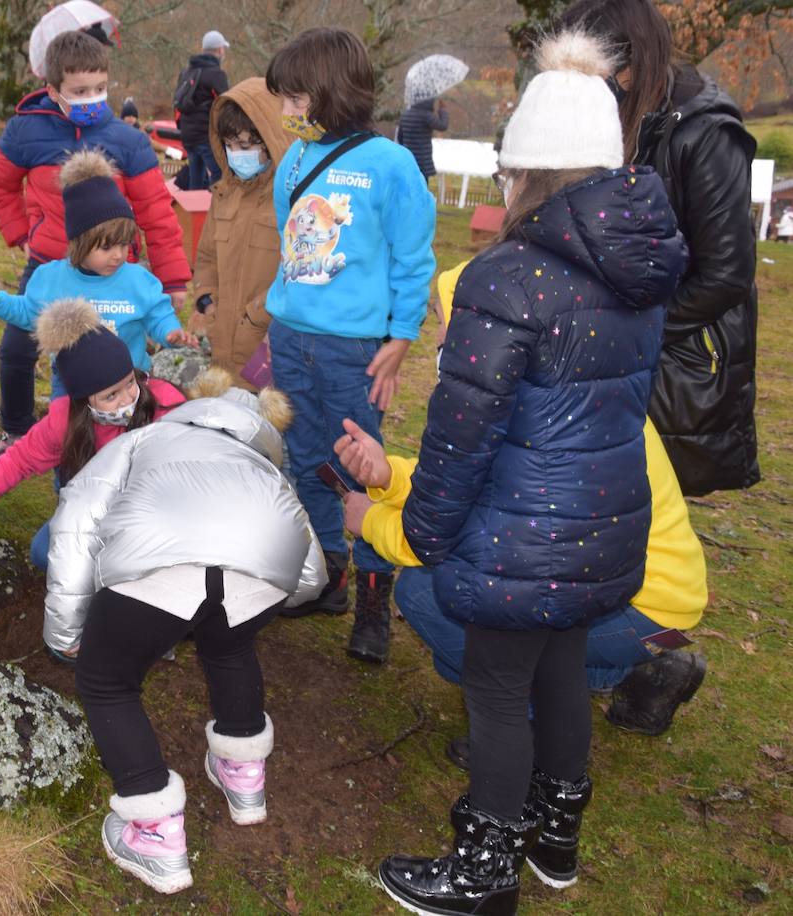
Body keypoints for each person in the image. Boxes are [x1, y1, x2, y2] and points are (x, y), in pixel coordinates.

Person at [336, 31, 687, 913]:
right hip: (602, 523)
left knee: (497, 689)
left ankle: (483, 868)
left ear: (523, 169)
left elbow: (463, 433)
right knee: (559, 673)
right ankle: (555, 837)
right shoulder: (640, 271)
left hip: (519, 529)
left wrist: (418, 532)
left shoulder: (507, 278)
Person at [357, 260, 708, 757]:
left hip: (632, 604)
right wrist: (389, 477)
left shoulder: (519, 417)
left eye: (447, 320)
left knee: (427, 593)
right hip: (652, 601)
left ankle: (521, 729)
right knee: (527, 618)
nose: (439, 339)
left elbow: (449, 540)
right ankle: (637, 669)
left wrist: (369, 521)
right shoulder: (576, 389)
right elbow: (460, 485)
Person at [44, 367, 327, 894]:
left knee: (106, 680)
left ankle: (154, 830)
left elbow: (76, 515)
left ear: (200, 406)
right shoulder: (266, 470)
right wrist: (262, 596)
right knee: (231, 644)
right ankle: (244, 781)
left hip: (157, 563)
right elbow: (311, 575)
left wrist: (65, 629)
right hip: (259, 577)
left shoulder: (147, 437)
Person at [262, 27, 436, 663]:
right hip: (291, 340)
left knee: (356, 464)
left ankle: (372, 600)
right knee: (303, 457)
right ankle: (326, 576)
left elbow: (414, 261)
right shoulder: (296, 160)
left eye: (294, 98)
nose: (285, 113)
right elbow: (292, 246)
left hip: (354, 350)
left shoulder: (391, 166)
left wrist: (401, 336)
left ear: (332, 93)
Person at [560, 0, 759, 497]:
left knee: (647, 512)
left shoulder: (706, 130)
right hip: (611, 348)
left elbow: (728, 273)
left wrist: (629, 332)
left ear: (628, 62)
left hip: (680, 361)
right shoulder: (616, 112)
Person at [0, 31, 192, 467]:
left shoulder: (127, 141)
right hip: (50, 267)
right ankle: (18, 433)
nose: (92, 98)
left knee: (116, 362)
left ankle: (125, 443)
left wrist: (172, 278)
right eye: (80, 92)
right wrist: (21, 234)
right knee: (17, 351)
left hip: (115, 272)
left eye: (100, 88)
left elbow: (155, 211)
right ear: (53, 90)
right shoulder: (27, 131)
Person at [0, 298, 185, 590]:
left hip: (161, 512)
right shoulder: (65, 421)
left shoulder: (165, 403)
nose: (128, 398)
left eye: (130, 383)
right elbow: (21, 458)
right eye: (111, 396)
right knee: (44, 552)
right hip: (99, 511)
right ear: (83, 400)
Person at [0, 149, 199, 398]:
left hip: (129, 386)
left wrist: (171, 333)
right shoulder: (52, 278)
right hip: (70, 388)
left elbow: (159, 317)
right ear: (80, 242)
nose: (118, 255)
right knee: (69, 435)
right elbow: (27, 312)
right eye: (106, 247)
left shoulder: (139, 281)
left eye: (123, 244)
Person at [189, 78, 293, 388]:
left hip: (268, 345)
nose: (236, 154)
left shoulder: (291, 200)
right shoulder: (223, 193)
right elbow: (206, 255)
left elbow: (297, 270)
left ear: (271, 139)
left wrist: (257, 315)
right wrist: (207, 300)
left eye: (246, 146)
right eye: (229, 146)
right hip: (221, 343)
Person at [174, 31, 231, 190]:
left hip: (188, 136)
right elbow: (226, 106)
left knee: (196, 179)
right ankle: (216, 212)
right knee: (220, 177)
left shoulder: (186, 73)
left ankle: (194, 213)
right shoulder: (217, 74)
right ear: (220, 50)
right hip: (207, 136)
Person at [396, 97, 449, 179]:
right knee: (422, 186)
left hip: (408, 159)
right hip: (423, 161)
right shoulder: (426, 115)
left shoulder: (405, 114)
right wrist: (442, 109)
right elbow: (443, 126)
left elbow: (400, 137)